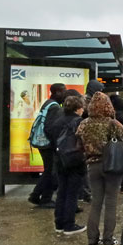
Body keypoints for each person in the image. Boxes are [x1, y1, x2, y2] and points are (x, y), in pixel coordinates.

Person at [77, 92, 123, 245]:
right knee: (110, 203)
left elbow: (78, 142)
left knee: (96, 203)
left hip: (92, 166)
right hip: (111, 166)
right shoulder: (113, 123)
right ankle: (108, 239)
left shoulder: (84, 123)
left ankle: (92, 240)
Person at [52, 95, 87, 235]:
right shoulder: (79, 122)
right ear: (78, 109)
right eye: (82, 107)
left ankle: (59, 223)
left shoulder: (57, 121)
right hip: (75, 160)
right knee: (72, 193)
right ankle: (69, 224)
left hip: (60, 160)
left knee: (62, 191)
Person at [28, 83, 66, 208]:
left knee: (48, 170)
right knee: (51, 172)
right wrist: (56, 145)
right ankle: (44, 198)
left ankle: (37, 195)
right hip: (48, 144)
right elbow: (50, 128)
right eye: (63, 91)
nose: (64, 94)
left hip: (43, 143)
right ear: (57, 92)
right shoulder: (54, 107)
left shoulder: (47, 103)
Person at [79, 79, 104, 203]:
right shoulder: (86, 101)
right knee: (85, 168)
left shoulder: (87, 99)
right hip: (86, 138)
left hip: (88, 138)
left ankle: (86, 192)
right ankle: (86, 193)